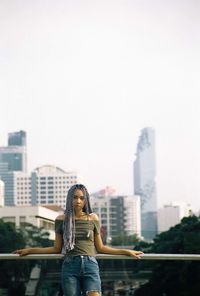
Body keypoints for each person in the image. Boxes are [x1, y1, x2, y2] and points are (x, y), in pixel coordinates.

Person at [14, 184, 143, 296]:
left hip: (90, 264)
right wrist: (30, 250)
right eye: (75, 197)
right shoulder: (61, 219)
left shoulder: (93, 218)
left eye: (82, 198)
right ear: (70, 199)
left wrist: (126, 252)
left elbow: (101, 248)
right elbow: (56, 248)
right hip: (70, 266)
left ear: (86, 200)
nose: (78, 201)